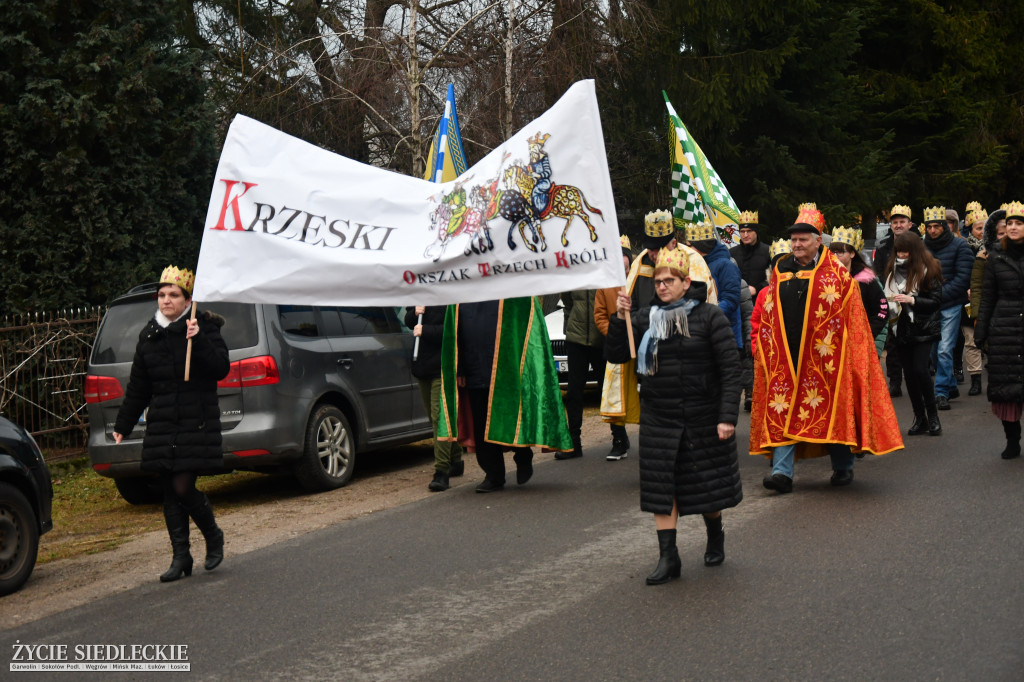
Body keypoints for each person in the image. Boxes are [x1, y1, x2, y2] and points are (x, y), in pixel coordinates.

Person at [605, 246, 742, 585]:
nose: (662, 286)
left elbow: (730, 369)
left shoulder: (710, 317)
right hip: (659, 418)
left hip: (702, 416)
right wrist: (619, 319)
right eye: (658, 281)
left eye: (670, 280)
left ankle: (715, 532)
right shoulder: (643, 317)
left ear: (686, 282)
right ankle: (669, 558)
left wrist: (727, 416)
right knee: (661, 489)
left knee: (707, 489)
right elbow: (617, 353)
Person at [750, 205, 903, 493]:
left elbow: (854, 320)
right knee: (783, 409)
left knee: (832, 412)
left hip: (827, 359)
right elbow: (770, 312)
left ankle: (843, 467)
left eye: (803, 239)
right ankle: (782, 473)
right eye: (793, 240)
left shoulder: (837, 275)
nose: (796, 245)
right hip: (786, 355)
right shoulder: (781, 269)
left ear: (818, 241)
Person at [112, 266, 230, 582]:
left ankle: (213, 535)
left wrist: (200, 338)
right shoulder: (150, 336)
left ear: (187, 300)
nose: (166, 300)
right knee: (169, 491)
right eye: (162, 295)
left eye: (173, 295)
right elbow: (139, 387)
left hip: (196, 422)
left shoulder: (203, 328)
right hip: (163, 424)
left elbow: (221, 369)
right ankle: (181, 557)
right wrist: (123, 423)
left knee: (183, 486)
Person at [436, 298, 572, 492]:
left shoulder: (509, 290)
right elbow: (456, 334)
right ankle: (494, 475)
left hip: (506, 371)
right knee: (481, 426)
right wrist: (460, 369)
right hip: (474, 369)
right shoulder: (461, 293)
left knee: (511, 417)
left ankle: (523, 455)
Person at [974, 201, 1024, 459]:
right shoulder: (995, 257)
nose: (1013, 227)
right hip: (1004, 327)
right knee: (1007, 391)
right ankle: (1012, 440)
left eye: (1018, 223)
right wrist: (981, 332)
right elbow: (988, 297)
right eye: (1010, 224)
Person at [883, 231, 943, 436]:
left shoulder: (929, 269)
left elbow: (935, 302)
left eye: (905, 253)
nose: (901, 256)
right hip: (900, 328)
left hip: (923, 328)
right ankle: (920, 418)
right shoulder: (892, 271)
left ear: (914, 252)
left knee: (920, 371)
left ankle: (934, 416)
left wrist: (913, 301)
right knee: (908, 374)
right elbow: (887, 298)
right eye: (898, 252)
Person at [556, 282, 622, 460]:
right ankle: (573, 443)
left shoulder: (602, 271)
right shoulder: (574, 272)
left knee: (607, 390)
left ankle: (619, 438)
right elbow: (568, 301)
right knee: (574, 392)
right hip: (576, 339)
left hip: (601, 337)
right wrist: (569, 325)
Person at [404, 305, 464, 491]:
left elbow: (454, 330)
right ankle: (455, 458)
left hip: (443, 367)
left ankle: (441, 472)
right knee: (433, 417)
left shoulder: (449, 300)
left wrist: (426, 331)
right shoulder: (420, 294)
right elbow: (408, 322)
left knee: (440, 418)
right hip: (422, 367)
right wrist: (414, 313)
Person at [922, 206, 974, 410]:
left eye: (936, 226)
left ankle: (941, 392)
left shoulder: (960, 246)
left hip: (950, 304)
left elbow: (963, 278)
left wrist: (938, 295)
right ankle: (951, 384)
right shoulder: (922, 247)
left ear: (945, 226)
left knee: (944, 349)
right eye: (929, 227)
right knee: (934, 351)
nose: (932, 230)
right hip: (929, 306)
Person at [593, 235, 635, 460]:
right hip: (616, 348)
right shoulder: (605, 284)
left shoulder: (640, 278)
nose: (622, 261)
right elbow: (599, 315)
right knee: (614, 395)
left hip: (639, 345)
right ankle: (618, 439)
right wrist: (615, 334)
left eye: (624, 257)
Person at [874, 204, 915, 396]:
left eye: (902, 222)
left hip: (913, 296)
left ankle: (917, 377)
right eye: (895, 222)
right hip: (890, 297)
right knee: (892, 342)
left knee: (914, 339)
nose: (898, 225)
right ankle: (895, 381)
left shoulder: (919, 244)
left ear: (909, 224)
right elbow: (879, 272)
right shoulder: (883, 246)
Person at [829, 226, 889, 355]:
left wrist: (867, 335)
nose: (835, 256)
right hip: (835, 346)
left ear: (852, 253)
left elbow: (882, 310)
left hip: (862, 346)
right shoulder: (826, 280)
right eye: (832, 252)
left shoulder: (866, 280)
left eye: (840, 252)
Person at [962, 204, 989, 396]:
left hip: (992, 301)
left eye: (985, 228)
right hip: (970, 299)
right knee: (971, 341)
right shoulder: (964, 248)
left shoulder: (995, 248)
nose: (982, 232)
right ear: (970, 229)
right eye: (978, 228)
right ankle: (976, 379)